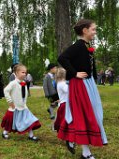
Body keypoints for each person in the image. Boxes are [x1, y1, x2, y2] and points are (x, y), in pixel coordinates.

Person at [57, 19, 108, 159]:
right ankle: (85, 152)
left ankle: (72, 138)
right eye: (93, 29)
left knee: (94, 112)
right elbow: (62, 58)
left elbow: (89, 65)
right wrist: (74, 73)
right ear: (84, 31)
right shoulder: (78, 46)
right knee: (85, 115)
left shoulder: (87, 46)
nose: (95, 32)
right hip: (80, 85)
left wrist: (93, 78)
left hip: (88, 83)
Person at [2, 64, 41, 141]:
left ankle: (31, 135)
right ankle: (5, 132)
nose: (25, 74)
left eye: (25, 72)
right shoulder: (13, 83)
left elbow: (24, 94)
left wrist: (24, 102)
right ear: (16, 73)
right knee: (11, 122)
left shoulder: (24, 83)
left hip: (23, 106)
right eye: (22, 72)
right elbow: (6, 90)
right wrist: (10, 101)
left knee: (29, 120)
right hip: (15, 107)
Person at [54, 67, 68, 132]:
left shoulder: (59, 83)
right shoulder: (62, 83)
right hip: (65, 104)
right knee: (65, 119)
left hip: (63, 103)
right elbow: (67, 90)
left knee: (63, 119)